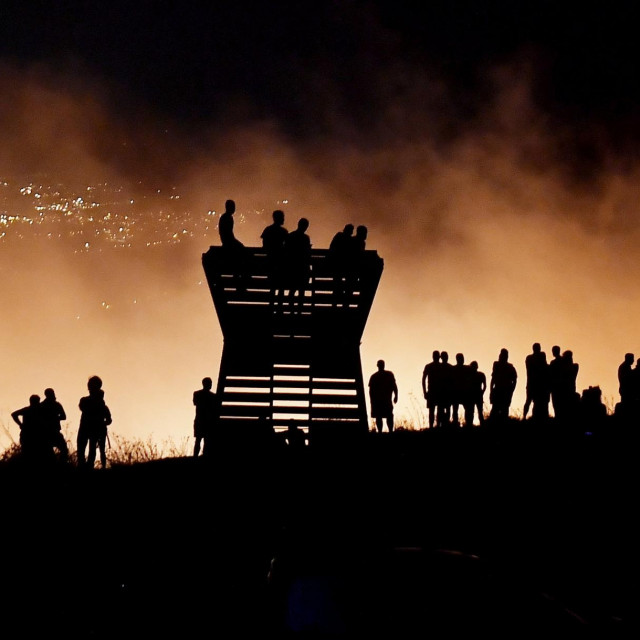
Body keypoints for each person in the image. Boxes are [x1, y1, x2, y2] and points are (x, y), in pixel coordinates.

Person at [77, 376, 112, 469]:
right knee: (85, 449)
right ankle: (84, 467)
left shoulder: (96, 403)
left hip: (91, 429)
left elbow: (109, 420)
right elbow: (108, 420)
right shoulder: (87, 401)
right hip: (88, 428)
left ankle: (87, 468)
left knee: (90, 449)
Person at [11, 394, 52, 464]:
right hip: (35, 437)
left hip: (28, 436)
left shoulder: (27, 410)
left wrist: (20, 424)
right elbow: (14, 414)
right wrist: (21, 424)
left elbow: (14, 414)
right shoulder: (41, 411)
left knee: (28, 457)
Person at [261, 209, 289, 306]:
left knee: (273, 287)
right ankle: (279, 307)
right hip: (281, 264)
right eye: (283, 217)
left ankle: (271, 305)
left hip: (270, 263)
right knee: (281, 287)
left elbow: (264, 246)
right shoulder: (284, 232)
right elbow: (288, 247)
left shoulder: (268, 230)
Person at [218, 198, 247, 289]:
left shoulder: (224, 217)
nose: (234, 209)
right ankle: (242, 279)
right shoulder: (227, 218)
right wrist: (236, 243)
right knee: (242, 252)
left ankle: (239, 279)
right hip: (228, 243)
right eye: (233, 207)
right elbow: (229, 234)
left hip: (226, 242)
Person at [283, 217, 312, 309]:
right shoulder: (306, 238)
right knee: (301, 291)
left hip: (292, 267)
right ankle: (299, 309)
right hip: (302, 268)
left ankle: (291, 309)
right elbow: (306, 253)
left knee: (292, 290)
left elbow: (286, 250)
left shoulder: (290, 236)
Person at [368, 360, 398, 433]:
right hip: (379, 401)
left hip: (385, 400)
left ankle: (389, 431)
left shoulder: (388, 375)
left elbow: (394, 386)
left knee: (388, 416)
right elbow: (371, 390)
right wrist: (396, 395)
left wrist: (396, 395)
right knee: (380, 417)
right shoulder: (374, 376)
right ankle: (381, 431)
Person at [523, 343, 550, 420]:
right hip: (534, 384)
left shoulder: (531, 358)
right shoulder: (532, 358)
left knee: (534, 401)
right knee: (530, 401)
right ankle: (525, 416)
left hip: (536, 384)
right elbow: (542, 367)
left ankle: (527, 417)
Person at [193, 377, 219, 457]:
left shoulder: (197, 394)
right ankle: (205, 455)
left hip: (199, 420)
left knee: (198, 440)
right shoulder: (214, 396)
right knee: (206, 440)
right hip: (209, 421)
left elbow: (195, 403)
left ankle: (195, 456)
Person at [41, 387, 69, 461]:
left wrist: (55, 418)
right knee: (50, 453)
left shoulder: (44, 405)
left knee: (64, 450)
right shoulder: (44, 406)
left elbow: (64, 416)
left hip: (53, 432)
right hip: (47, 433)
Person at [489, 348, 517, 421]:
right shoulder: (497, 365)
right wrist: (491, 390)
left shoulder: (510, 367)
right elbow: (493, 379)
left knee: (504, 411)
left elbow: (514, 380)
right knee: (495, 411)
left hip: (505, 391)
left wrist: (511, 390)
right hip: (498, 390)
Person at [329, 224, 354, 306]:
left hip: (335, 265)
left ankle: (335, 302)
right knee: (344, 281)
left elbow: (331, 248)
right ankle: (343, 301)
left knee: (337, 281)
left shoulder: (339, 236)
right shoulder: (350, 240)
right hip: (343, 267)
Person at [421, 351, 441, 429]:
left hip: (439, 391)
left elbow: (423, 380)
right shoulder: (429, 366)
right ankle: (431, 427)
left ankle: (437, 426)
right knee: (432, 411)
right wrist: (425, 392)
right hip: (432, 392)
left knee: (439, 410)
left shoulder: (440, 366)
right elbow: (423, 379)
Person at [465, 361, 486, 427]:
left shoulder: (469, 375)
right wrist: (482, 392)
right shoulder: (481, 374)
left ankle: (470, 425)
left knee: (473, 412)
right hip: (476, 395)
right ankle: (478, 425)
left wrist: (482, 392)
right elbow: (485, 386)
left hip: (473, 395)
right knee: (477, 412)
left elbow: (485, 385)